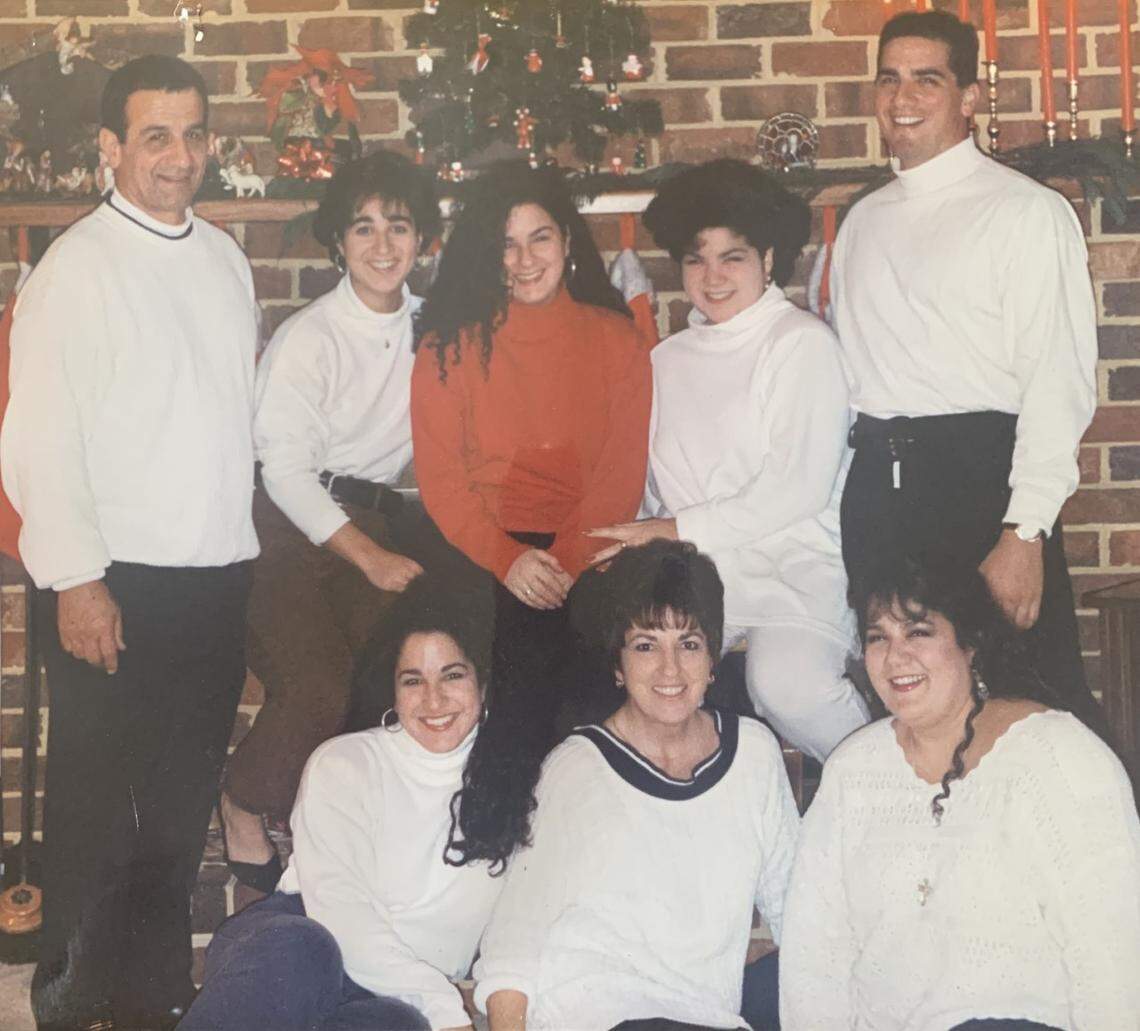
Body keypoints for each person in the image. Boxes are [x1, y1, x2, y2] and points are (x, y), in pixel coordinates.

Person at [0, 56, 260, 1030]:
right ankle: (69, 999)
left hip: (212, 574)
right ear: (111, 147)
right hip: (111, 579)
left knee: (178, 806)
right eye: (157, 135)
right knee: (98, 809)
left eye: (194, 133)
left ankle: (153, 993)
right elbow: (38, 439)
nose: (180, 156)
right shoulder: (74, 271)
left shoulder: (226, 261)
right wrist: (76, 580)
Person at [831, 9, 1100, 722]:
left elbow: (1057, 382)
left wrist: (1025, 530)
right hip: (878, 494)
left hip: (981, 490)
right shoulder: (863, 221)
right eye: (889, 78)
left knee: (1028, 707)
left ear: (970, 97)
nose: (903, 96)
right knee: (906, 709)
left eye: (928, 78)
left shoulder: (1025, 214)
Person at [779, 554, 1140, 1029]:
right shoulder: (852, 769)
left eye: (918, 632)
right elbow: (814, 956)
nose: (895, 657)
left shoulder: (1057, 757)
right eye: (877, 638)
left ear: (969, 644)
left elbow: (1112, 958)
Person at [588, 159, 870, 762]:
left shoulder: (800, 344)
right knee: (614, 671)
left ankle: (891, 789)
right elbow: (650, 487)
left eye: (732, 257)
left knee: (787, 685)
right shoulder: (666, 359)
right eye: (696, 259)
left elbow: (797, 489)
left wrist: (670, 530)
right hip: (695, 577)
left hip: (793, 570)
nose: (712, 277)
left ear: (768, 258)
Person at [218, 150, 445, 894]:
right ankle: (244, 797)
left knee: (385, 684)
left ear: (423, 240)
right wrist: (370, 559)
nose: (383, 246)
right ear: (337, 243)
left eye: (400, 227)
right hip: (285, 524)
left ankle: (343, 850)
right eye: (363, 228)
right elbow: (283, 470)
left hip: (373, 518)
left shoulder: (433, 329)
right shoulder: (310, 337)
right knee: (316, 685)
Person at [410, 162, 652, 855]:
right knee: (506, 672)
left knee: (588, 687)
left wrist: (567, 561)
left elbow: (620, 475)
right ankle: (490, 852)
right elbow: (442, 482)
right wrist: (507, 558)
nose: (523, 260)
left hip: (587, 546)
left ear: (568, 243)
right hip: (480, 549)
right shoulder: (448, 346)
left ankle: (581, 860)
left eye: (539, 239)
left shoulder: (615, 339)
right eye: (506, 245)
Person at [475, 540, 800, 1031]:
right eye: (646, 645)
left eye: (688, 644)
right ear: (618, 665)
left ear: (713, 658)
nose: (669, 670)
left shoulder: (754, 753)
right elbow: (513, 946)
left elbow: (796, 910)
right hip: (594, 1015)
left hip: (703, 1017)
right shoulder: (578, 767)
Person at [180, 576, 504, 1031]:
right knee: (300, 950)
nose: (434, 699)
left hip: (398, 998)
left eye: (452, 675)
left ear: (483, 682)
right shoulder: (346, 762)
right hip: (301, 942)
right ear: (392, 691)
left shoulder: (517, 779)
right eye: (413, 681)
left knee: (396, 1024)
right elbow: (339, 906)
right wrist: (444, 1007)